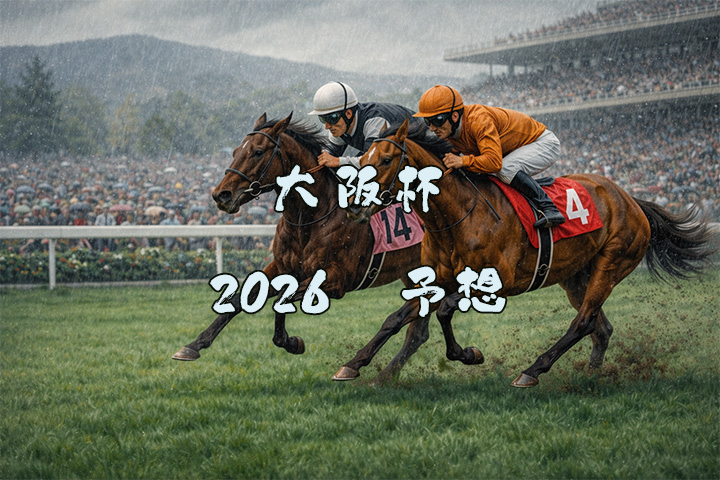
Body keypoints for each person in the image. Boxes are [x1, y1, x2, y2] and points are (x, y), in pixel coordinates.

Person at [413, 85, 565, 228]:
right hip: (514, 150)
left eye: (437, 120)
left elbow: (494, 163)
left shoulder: (479, 120)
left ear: (454, 116)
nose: (432, 128)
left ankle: (549, 208)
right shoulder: (449, 132)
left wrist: (463, 160)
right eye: (428, 121)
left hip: (543, 144)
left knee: (505, 168)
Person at [309, 81, 422, 168]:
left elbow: (372, 162)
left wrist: (338, 161)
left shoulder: (375, 122)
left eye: (331, 118)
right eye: (323, 119)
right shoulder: (339, 126)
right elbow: (328, 154)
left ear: (348, 114)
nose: (327, 126)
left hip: (423, 141)